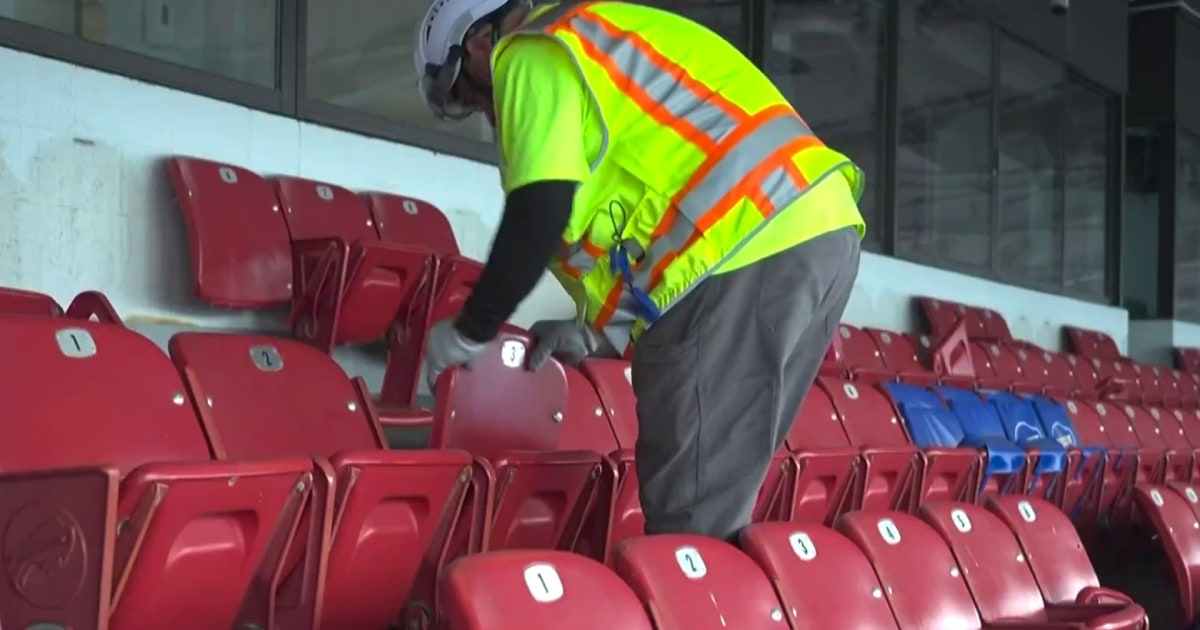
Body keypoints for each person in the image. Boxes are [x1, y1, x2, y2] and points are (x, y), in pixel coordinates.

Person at [415, 0, 864, 542]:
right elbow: (651, 220)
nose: (486, 114)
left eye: (468, 95)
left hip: (741, 249)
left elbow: (540, 209)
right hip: (815, 227)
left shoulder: (534, 52)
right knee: (717, 507)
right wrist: (595, 331)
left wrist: (472, 329)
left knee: (690, 529)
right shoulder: (596, 41)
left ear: (480, 45)